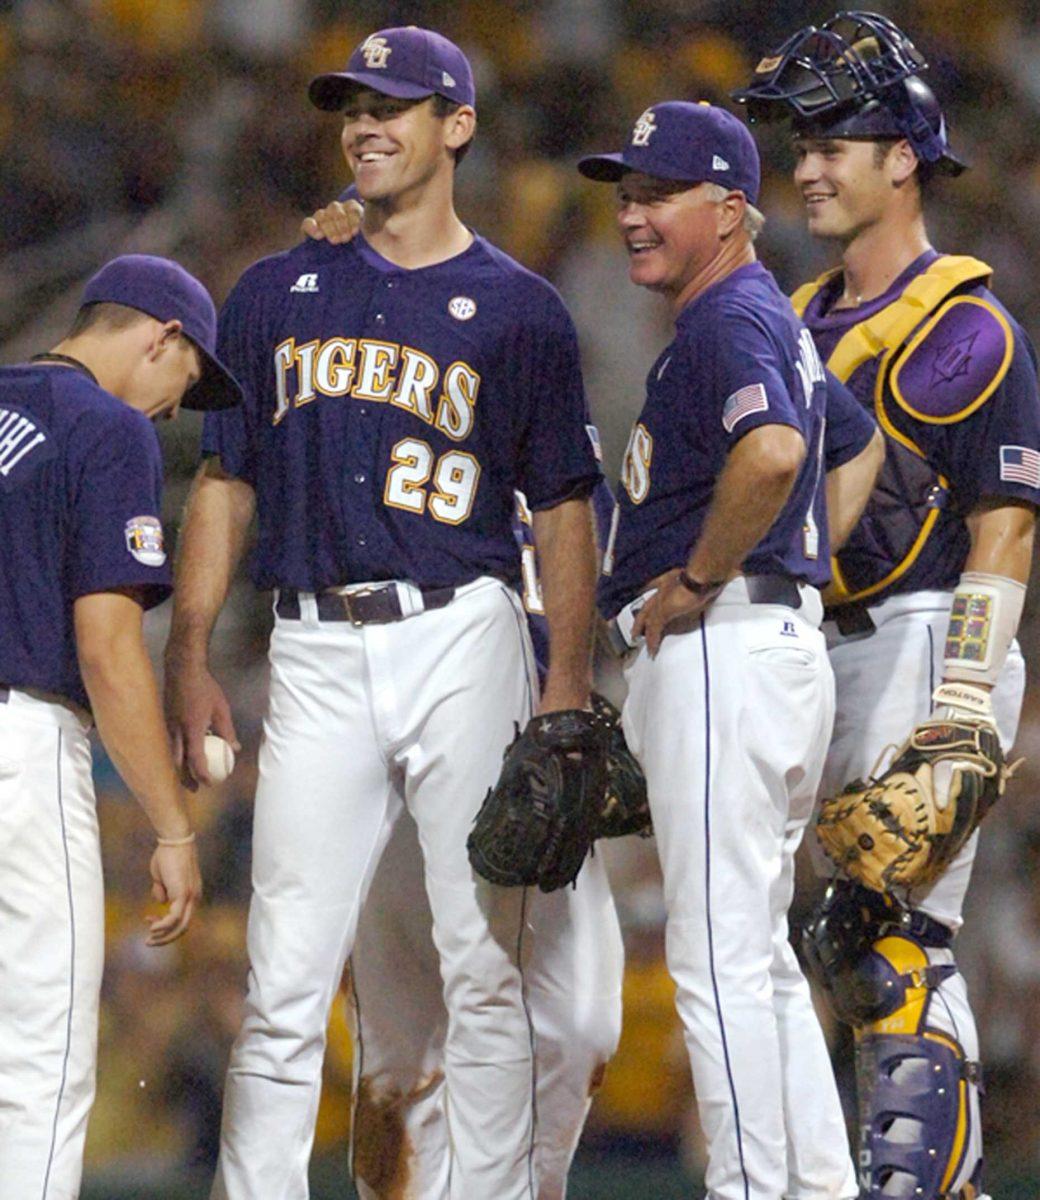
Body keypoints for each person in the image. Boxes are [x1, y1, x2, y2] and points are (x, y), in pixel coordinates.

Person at [162, 27, 608, 1200]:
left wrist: (565, 684)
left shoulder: (520, 311)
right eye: (351, 107)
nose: (364, 125)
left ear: (455, 125)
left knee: (484, 969)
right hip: (311, 643)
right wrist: (191, 649)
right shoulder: (273, 289)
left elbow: (562, 506)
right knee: (283, 982)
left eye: (394, 106)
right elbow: (225, 479)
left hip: (462, 629)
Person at [734, 12, 1040, 1199]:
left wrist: (964, 698)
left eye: (832, 141)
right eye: (798, 144)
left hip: (923, 633)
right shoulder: (801, 317)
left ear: (901, 157)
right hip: (816, 646)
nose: (805, 165)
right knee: (832, 945)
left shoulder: (964, 321)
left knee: (892, 944)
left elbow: (1002, 525)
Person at [580, 100, 881, 1200]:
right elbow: (851, 443)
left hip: (725, 647)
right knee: (751, 957)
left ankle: (749, 1187)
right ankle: (811, 1187)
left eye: (658, 194)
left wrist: (714, 574)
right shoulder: (753, 317)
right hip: (766, 641)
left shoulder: (725, 320)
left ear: (728, 208)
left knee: (713, 961)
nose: (631, 214)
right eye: (626, 193)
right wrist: (795, 560)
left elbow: (772, 449)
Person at [0, 253, 240, 1200]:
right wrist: (175, 827)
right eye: (185, 381)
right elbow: (106, 649)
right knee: (40, 1050)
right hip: (17, 741)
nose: (175, 410)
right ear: (162, 337)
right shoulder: (105, 426)